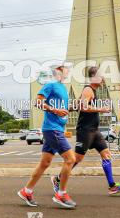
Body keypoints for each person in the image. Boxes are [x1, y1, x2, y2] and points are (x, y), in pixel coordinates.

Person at [52, 66, 120, 195]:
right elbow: (84, 107)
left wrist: (69, 107)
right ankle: (57, 179)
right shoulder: (88, 89)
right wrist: (101, 109)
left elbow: (79, 104)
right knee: (77, 159)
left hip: (94, 130)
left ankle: (112, 185)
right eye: (101, 76)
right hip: (85, 131)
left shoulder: (91, 90)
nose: (103, 78)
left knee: (106, 155)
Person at [17, 63, 77, 209]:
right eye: (65, 69)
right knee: (70, 159)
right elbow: (38, 102)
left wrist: (74, 107)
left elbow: (63, 108)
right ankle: (61, 194)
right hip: (52, 129)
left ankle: (26, 191)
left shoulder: (63, 88)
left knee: (45, 163)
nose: (68, 71)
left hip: (57, 129)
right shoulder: (51, 85)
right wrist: (56, 111)